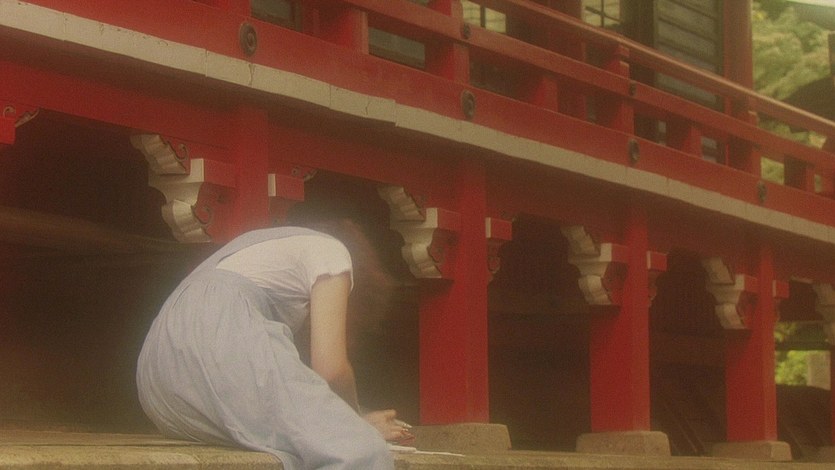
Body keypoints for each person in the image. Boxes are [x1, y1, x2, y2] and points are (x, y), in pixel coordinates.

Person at [136, 220, 410, 470]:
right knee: (361, 452)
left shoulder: (258, 248)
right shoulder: (334, 252)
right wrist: (355, 424)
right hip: (219, 336)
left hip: (159, 379)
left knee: (296, 449)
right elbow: (331, 369)